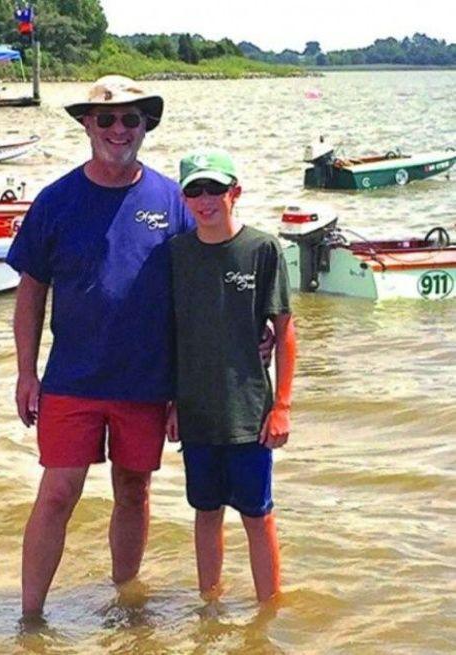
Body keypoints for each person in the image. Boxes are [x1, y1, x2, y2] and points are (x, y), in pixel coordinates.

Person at [6, 75, 195, 620]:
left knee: (134, 491)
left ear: (145, 126)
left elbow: (195, 295)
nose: (118, 129)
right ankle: (30, 618)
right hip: (72, 380)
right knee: (58, 493)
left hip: (146, 382)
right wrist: (25, 372)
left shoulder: (172, 201)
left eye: (130, 119)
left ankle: (125, 602)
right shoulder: (56, 200)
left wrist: (192, 381)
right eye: (106, 118)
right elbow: (30, 293)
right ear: (87, 123)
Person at [166, 148, 296, 605]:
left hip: (249, 414)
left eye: (215, 189)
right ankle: (210, 608)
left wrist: (281, 407)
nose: (205, 200)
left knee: (258, 516)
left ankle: (269, 614)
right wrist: (170, 402)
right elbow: (170, 332)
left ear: (234, 192)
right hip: (196, 413)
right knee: (205, 512)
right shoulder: (176, 254)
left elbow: (284, 330)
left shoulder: (262, 249)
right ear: (184, 199)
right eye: (195, 191)